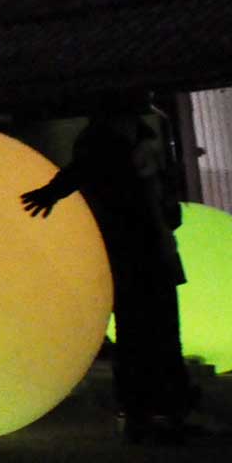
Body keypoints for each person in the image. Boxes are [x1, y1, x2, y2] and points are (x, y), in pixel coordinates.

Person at [21, 106, 196, 442]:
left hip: (151, 247)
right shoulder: (106, 141)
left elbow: (102, 174)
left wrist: (167, 209)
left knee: (157, 331)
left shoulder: (142, 136)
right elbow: (87, 169)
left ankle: (165, 409)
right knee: (142, 332)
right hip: (131, 250)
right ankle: (147, 412)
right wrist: (53, 192)